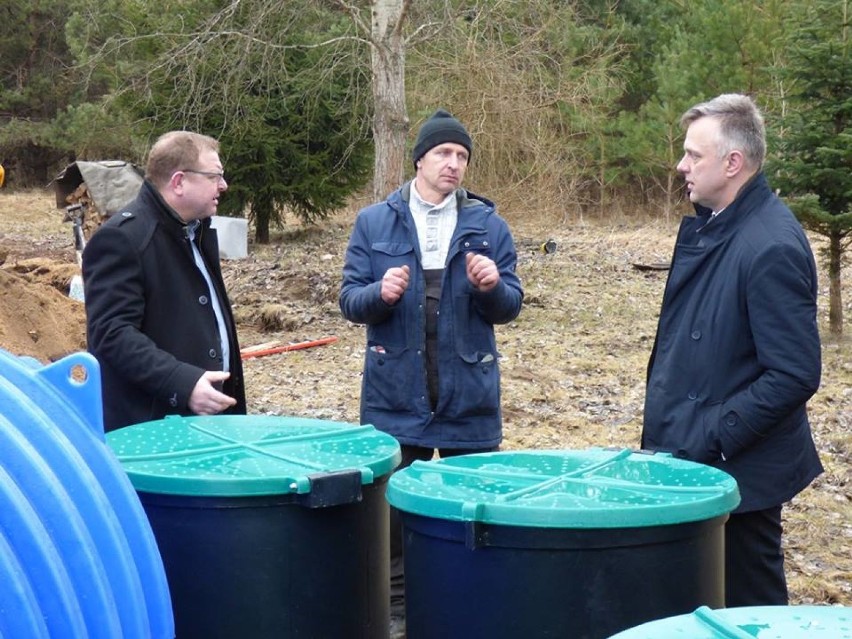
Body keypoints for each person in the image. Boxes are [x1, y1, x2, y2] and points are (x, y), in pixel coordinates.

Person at [339, 108, 524, 626]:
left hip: (468, 392)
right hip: (396, 392)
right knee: (395, 514)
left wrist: (494, 286)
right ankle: (399, 610)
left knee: (474, 506)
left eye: (462, 156)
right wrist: (380, 293)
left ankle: (471, 603)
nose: (454, 164)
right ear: (419, 158)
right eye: (444, 153)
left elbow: (510, 307)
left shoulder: (488, 225)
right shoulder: (375, 221)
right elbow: (350, 301)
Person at [642, 94, 823, 607]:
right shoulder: (719, 225)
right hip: (699, 454)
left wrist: (713, 435)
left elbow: (794, 373)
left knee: (750, 607)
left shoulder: (770, 244)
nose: (682, 166)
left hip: (742, 471)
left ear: (733, 163)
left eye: (693, 155)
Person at [83, 131, 246, 432]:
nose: (223, 186)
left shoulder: (195, 231)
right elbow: (111, 334)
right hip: (153, 432)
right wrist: (182, 383)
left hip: (207, 424)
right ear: (179, 182)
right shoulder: (123, 238)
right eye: (214, 176)